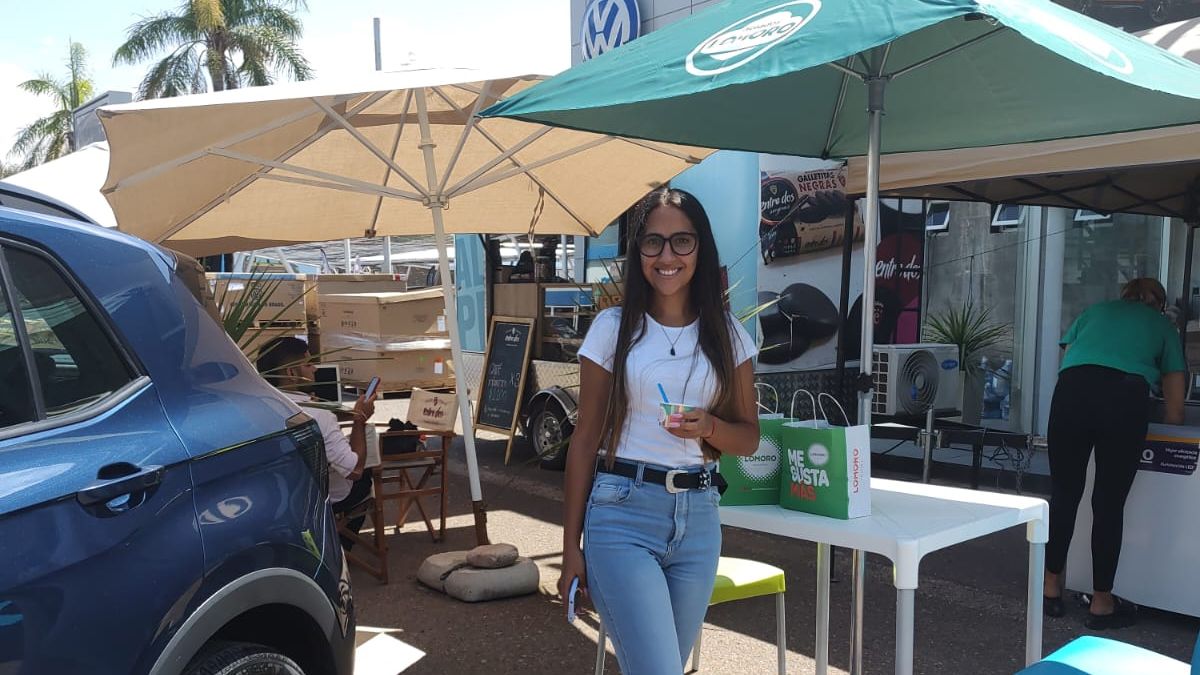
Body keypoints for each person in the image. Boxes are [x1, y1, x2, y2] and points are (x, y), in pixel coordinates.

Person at [559, 187, 760, 674]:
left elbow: (749, 438)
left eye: (681, 242)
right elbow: (584, 440)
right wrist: (569, 549)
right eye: (653, 242)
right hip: (623, 513)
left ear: (701, 248)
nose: (667, 257)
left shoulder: (728, 334)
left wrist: (709, 426)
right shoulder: (612, 329)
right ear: (638, 252)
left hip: (699, 520)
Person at [1043, 278, 1186, 629]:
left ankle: (1050, 586)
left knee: (1064, 494)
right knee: (1108, 503)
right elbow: (1175, 398)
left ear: (1124, 295)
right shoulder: (1161, 325)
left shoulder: (1095, 311)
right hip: (1123, 399)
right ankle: (1101, 602)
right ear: (1160, 304)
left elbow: (1072, 356)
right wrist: (1172, 426)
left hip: (1070, 393)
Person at [256, 337, 376, 547]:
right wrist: (359, 419)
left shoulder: (256, 406)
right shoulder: (318, 415)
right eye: (308, 364)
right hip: (314, 500)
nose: (315, 369)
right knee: (365, 477)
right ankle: (340, 546)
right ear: (291, 373)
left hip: (273, 498)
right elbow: (354, 470)